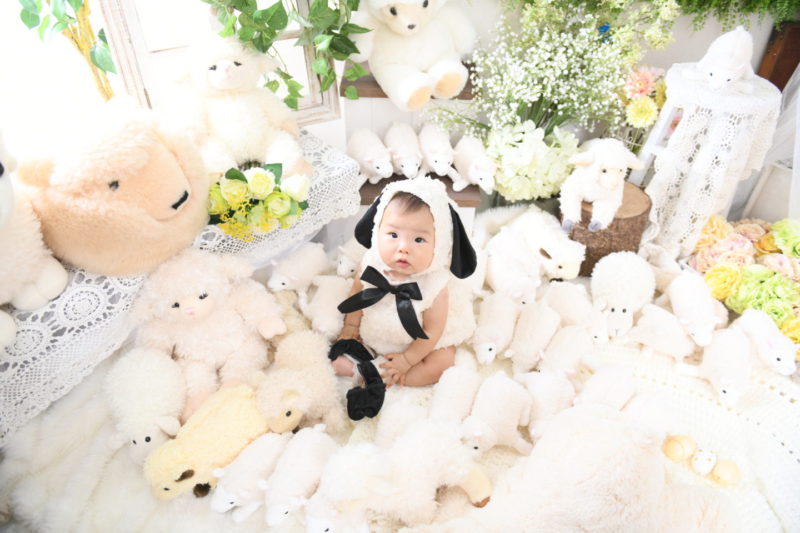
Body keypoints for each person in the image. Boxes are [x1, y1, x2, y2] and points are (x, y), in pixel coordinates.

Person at [332, 177, 477, 387]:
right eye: (393, 234)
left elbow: (432, 332)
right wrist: (351, 326)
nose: (403, 248)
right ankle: (365, 365)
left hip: (423, 343)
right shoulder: (372, 263)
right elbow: (357, 293)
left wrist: (408, 360)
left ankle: (384, 378)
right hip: (380, 329)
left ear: (440, 244)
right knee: (343, 347)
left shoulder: (435, 284)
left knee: (442, 362)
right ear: (377, 230)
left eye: (419, 240)